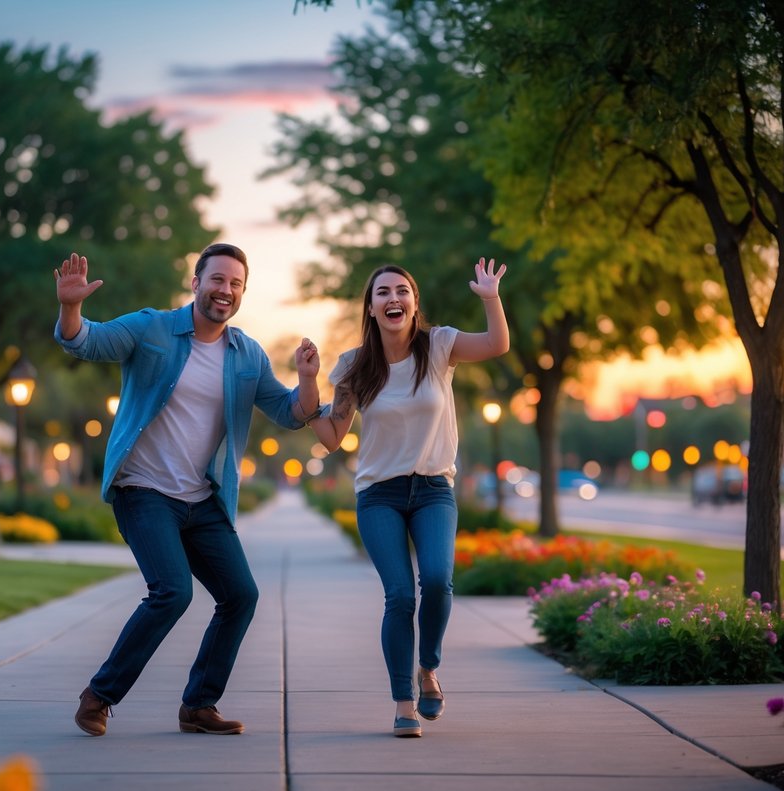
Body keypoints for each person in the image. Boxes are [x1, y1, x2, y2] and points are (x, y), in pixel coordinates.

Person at [53, 243, 321, 737]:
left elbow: (291, 414)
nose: (226, 290)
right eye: (217, 279)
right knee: (171, 591)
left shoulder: (246, 354)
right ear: (196, 283)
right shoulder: (152, 327)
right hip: (144, 490)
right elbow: (85, 342)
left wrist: (307, 380)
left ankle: (199, 705)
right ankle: (99, 696)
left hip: (202, 500)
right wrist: (72, 308)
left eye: (236, 284)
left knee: (240, 595)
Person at [309, 258, 509, 738]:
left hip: (433, 489)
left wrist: (490, 298)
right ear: (371, 307)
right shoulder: (355, 366)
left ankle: (428, 669)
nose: (393, 298)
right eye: (383, 292)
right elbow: (332, 436)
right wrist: (306, 380)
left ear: (414, 302)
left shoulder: (439, 346)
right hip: (379, 495)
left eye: (402, 290)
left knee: (437, 581)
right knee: (399, 596)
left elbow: (497, 344)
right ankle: (403, 701)